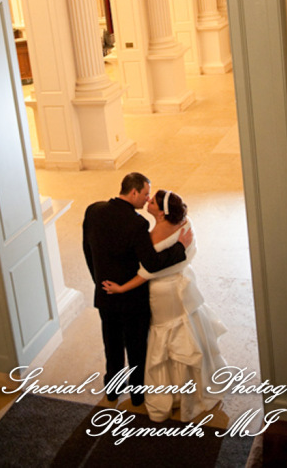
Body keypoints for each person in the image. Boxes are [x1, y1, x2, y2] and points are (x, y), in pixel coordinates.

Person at [102, 189, 228, 422]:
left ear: (161, 214)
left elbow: (146, 272)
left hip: (162, 293)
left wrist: (121, 288)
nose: (148, 201)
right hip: (183, 284)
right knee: (187, 329)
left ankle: (172, 393)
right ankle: (193, 386)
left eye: (153, 202)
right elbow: (183, 253)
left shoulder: (153, 236)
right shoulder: (185, 222)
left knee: (165, 337)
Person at [82, 172, 192, 406]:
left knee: (111, 344)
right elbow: (152, 263)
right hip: (132, 300)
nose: (146, 200)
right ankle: (137, 394)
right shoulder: (137, 224)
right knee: (136, 347)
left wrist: (99, 281)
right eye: (145, 194)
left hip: (105, 293)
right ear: (133, 192)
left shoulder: (93, 211)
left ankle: (112, 389)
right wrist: (180, 248)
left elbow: (87, 251)